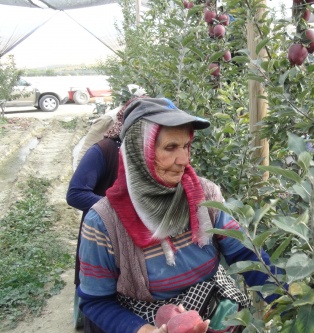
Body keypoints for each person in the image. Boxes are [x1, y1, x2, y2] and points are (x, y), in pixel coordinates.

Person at [77, 98, 284, 333]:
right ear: (138, 151)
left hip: (216, 316)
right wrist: (144, 330)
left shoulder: (204, 195)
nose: (184, 160)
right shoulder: (104, 223)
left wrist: (291, 305)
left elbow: (248, 255)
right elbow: (96, 301)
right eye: (170, 148)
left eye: (186, 146)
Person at [67, 94, 151, 329]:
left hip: (130, 239)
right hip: (103, 235)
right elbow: (75, 193)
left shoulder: (146, 155)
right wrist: (118, 211)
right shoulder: (104, 150)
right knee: (98, 293)